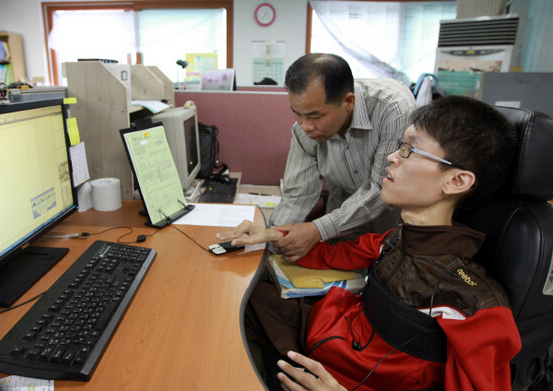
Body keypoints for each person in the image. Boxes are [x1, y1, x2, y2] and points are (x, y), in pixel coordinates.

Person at [217, 96, 521, 390]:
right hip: (330, 335)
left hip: (343, 375)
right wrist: (272, 235)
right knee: (227, 297)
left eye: (409, 150)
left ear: (456, 181)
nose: (391, 156)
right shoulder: (394, 240)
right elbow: (330, 254)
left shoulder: (475, 305)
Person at [270, 53, 417, 262]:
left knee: (386, 275)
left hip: (393, 215)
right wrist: (274, 238)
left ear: (348, 102)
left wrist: (318, 229)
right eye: (297, 113)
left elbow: (382, 187)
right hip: (343, 212)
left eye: (315, 116)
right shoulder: (304, 129)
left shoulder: (392, 109)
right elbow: (297, 194)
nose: (305, 126)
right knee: (343, 281)